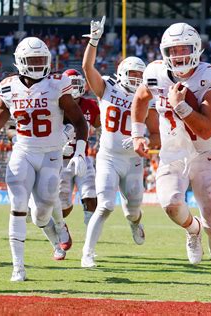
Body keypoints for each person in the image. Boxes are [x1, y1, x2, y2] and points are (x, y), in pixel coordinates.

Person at [0, 37, 88, 281]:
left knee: (41, 213)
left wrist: (81, 150)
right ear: (20, 62)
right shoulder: (9, 87)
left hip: (51, 154)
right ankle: (18, 267)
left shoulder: (57, 84)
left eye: (40, 60)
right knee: (18, 206)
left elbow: (79, 121)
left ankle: (58, 229)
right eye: (31, 60)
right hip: (22, 151)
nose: (36, 65)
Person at [131, 22, 211, 298]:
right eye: (172, 50)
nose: (178, 55)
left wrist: (180, 106)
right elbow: (141, 98)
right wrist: (138, 133)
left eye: (184, 48)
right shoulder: (154, 72)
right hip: (172, 154)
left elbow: (206, 129)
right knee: (170, 204)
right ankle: (192, 230)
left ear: (197, 48)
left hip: (204, 155)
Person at [80, 16, 159, 268]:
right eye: (132, 74)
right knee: (104, 206)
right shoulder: (108, 88)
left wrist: (144, 140)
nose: (137, 79)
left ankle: (135, 222)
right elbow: (87, 68)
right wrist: (94, 40)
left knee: (132, 210)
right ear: (121, 73)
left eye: (140, 75)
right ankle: (87, 253)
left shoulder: (148, 98)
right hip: (109, 157)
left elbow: (156, 134)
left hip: (134, 160)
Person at [60, 69, 100, 228]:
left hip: (83, 157)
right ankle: (58, 226)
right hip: (60, 160)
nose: (75, 87)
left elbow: (100, 126)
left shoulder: (89, 105)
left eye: (77, 83)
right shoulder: (56, 103)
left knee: (91, 194)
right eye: (71, 84)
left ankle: (90, 227)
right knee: (63, 206)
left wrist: (101, 142)